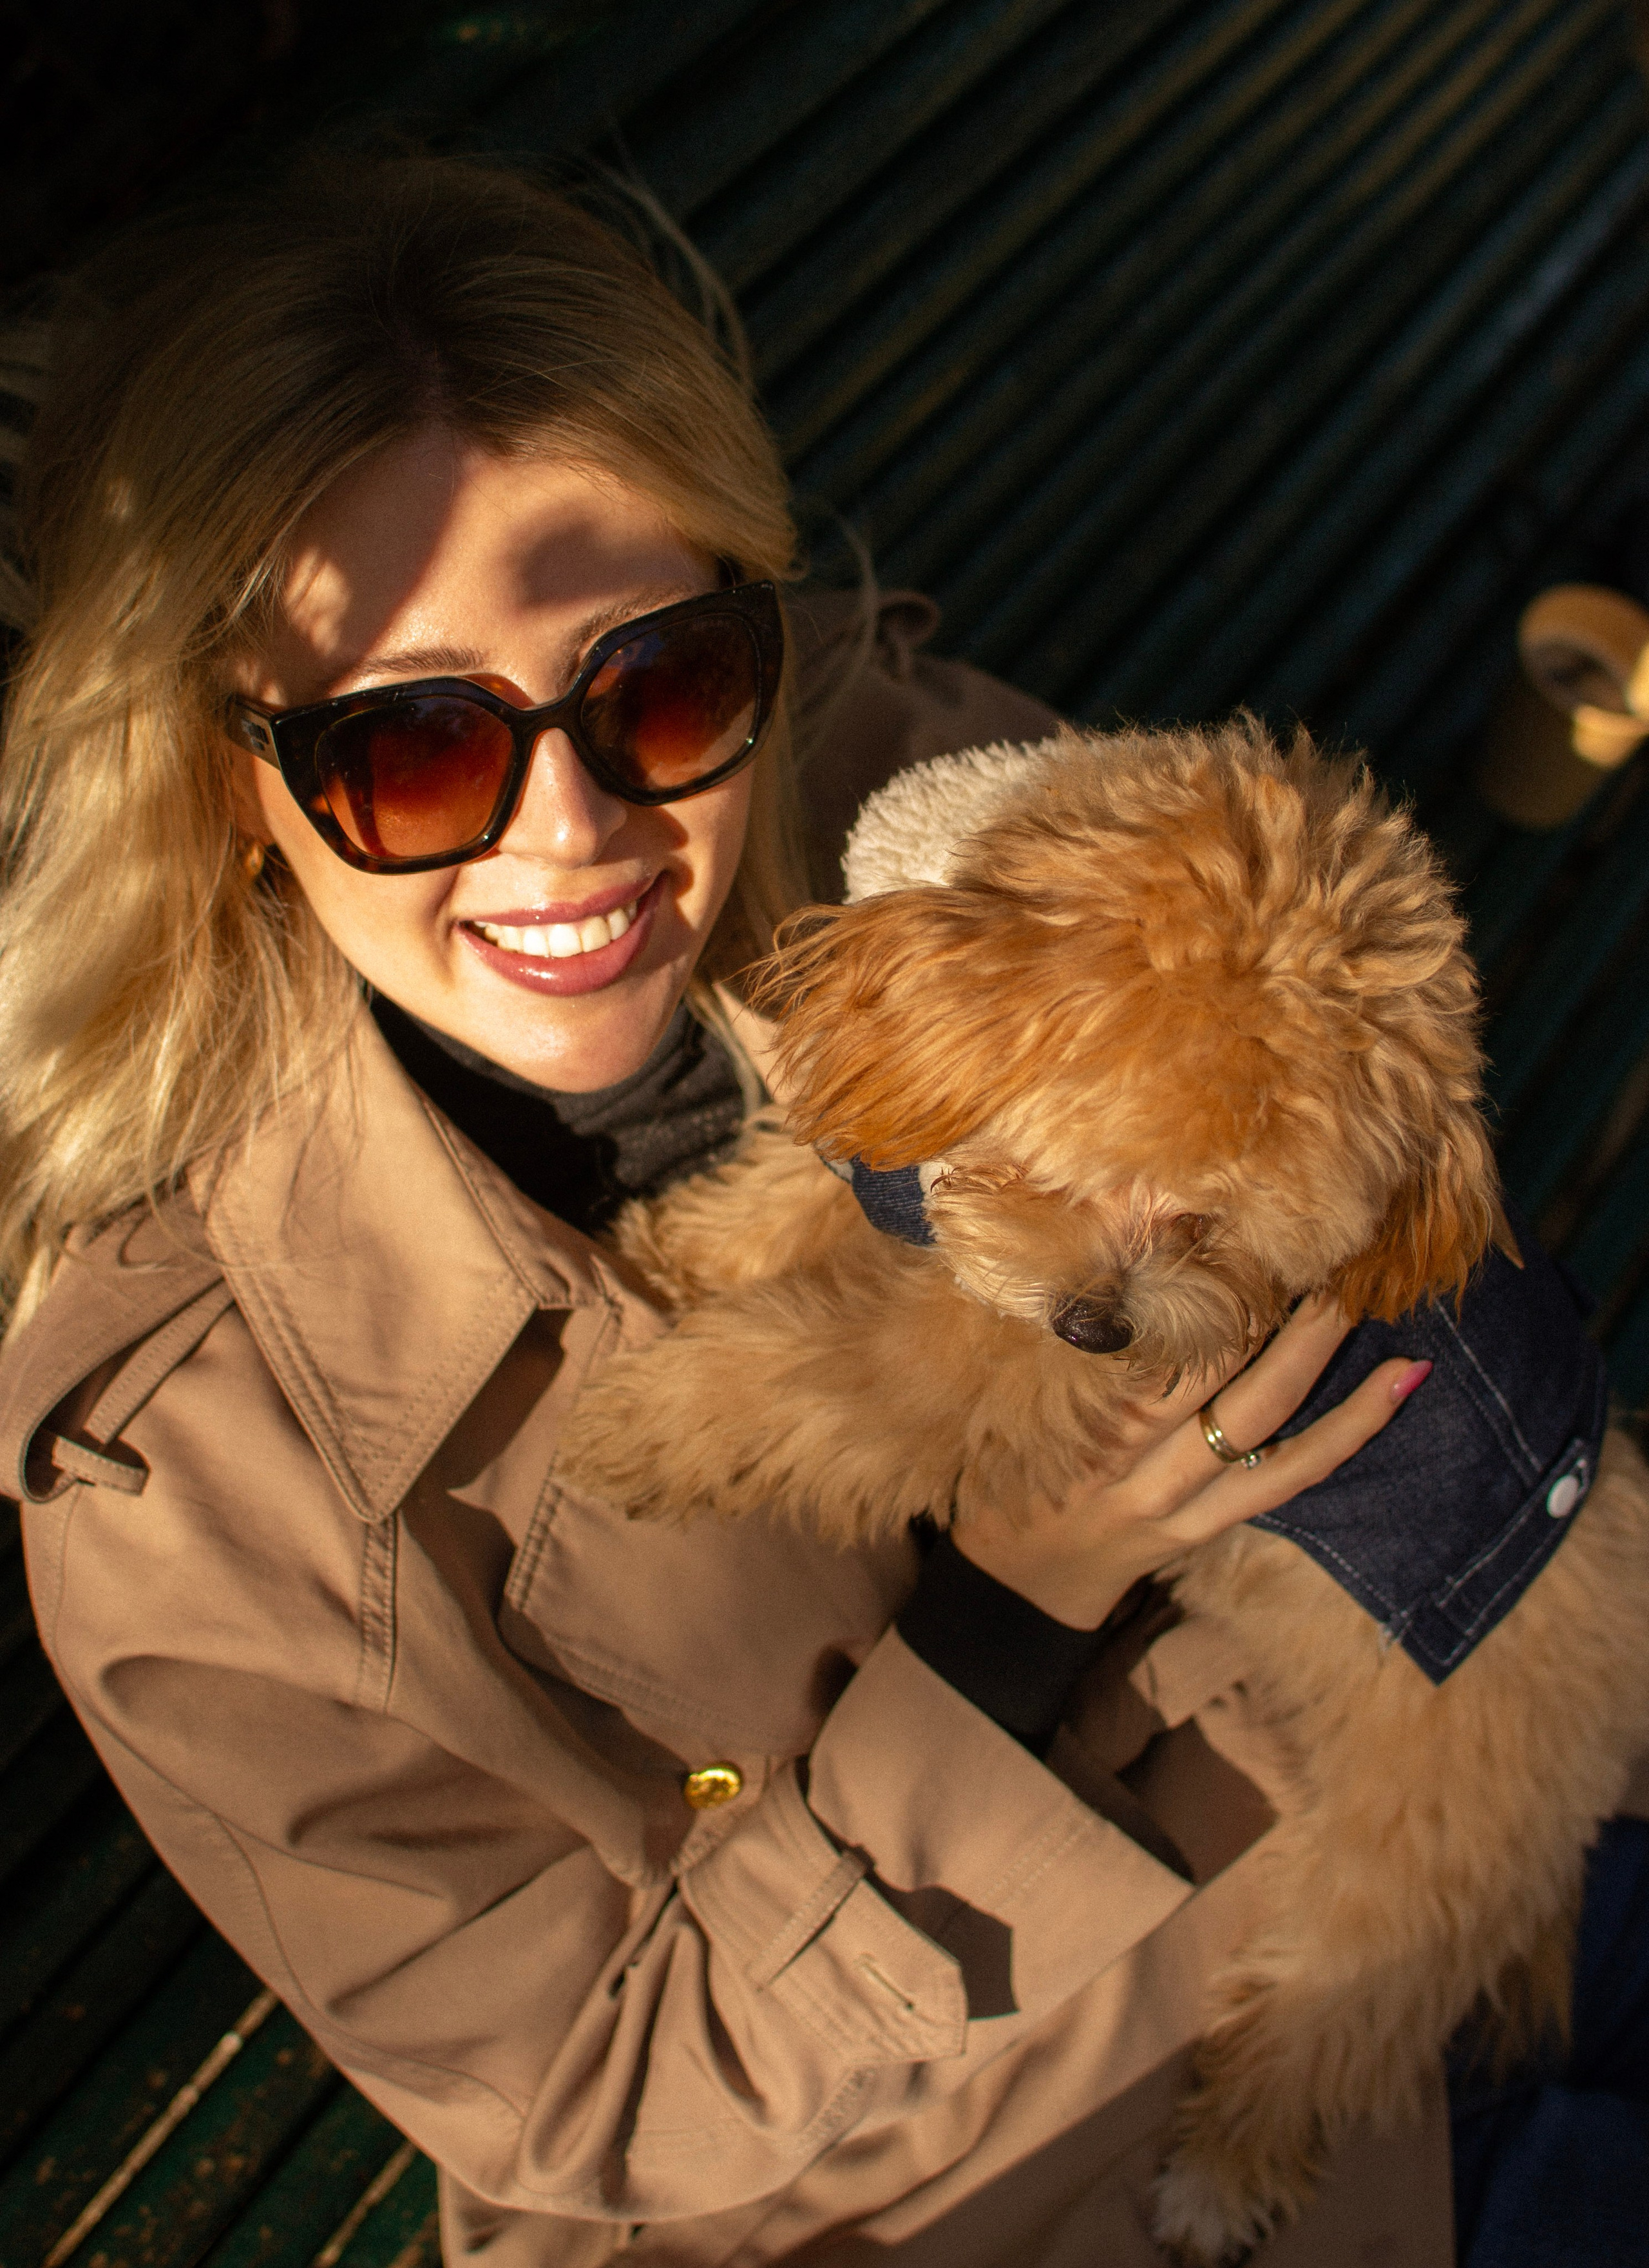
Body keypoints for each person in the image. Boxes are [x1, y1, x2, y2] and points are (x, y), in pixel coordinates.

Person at [0, 153, 1633, 2267]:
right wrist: (1003, 1623)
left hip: (1407, 1836)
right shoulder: (178, 1481)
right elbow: (596, 2102)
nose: (576, 835)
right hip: (994, 2172)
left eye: (658, 681)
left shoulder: (927, 803)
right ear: (234, 776)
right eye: (411, 748)